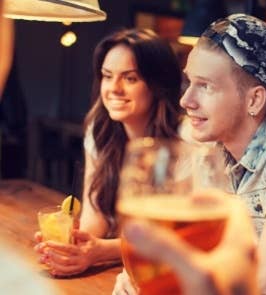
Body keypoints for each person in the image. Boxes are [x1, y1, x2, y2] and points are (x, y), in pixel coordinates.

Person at [113, 14, 266, 295]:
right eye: (189, 82)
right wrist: (137, 280)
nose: (186, 100)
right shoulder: (203, 138)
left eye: (205, 86)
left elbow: (262, 282)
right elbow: (173, 235)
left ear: (254, 100)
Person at [34, 28, 184, 277]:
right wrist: (74, 243)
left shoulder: (186, 138)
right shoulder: (99, 129)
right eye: (107, 76)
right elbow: (96, 216)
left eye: (130, 78)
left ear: (158, 84)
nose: (114, 88)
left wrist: (101, 251)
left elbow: (175, 236)